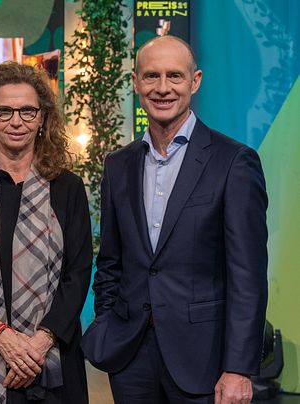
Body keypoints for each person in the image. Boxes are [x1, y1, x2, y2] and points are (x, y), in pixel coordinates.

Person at [81, 36, 268, 404]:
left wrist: (238, 368)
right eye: (151, 76)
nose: (162, 88)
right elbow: (111, 263)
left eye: (174, 76)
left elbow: (247, 275)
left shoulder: (233, 161)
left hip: (206, 363)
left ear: (195, 81)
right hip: (130, 358)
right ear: (135, 83)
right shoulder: (118, 165)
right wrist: (108, 323)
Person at [0, 62, 93, 403]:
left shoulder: (67, 188)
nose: (16, 121)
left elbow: (79, 271)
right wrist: (1, 335)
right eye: (5, 110)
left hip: (51, 353)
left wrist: (39, 343)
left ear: (42, 119)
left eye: (27, 111)